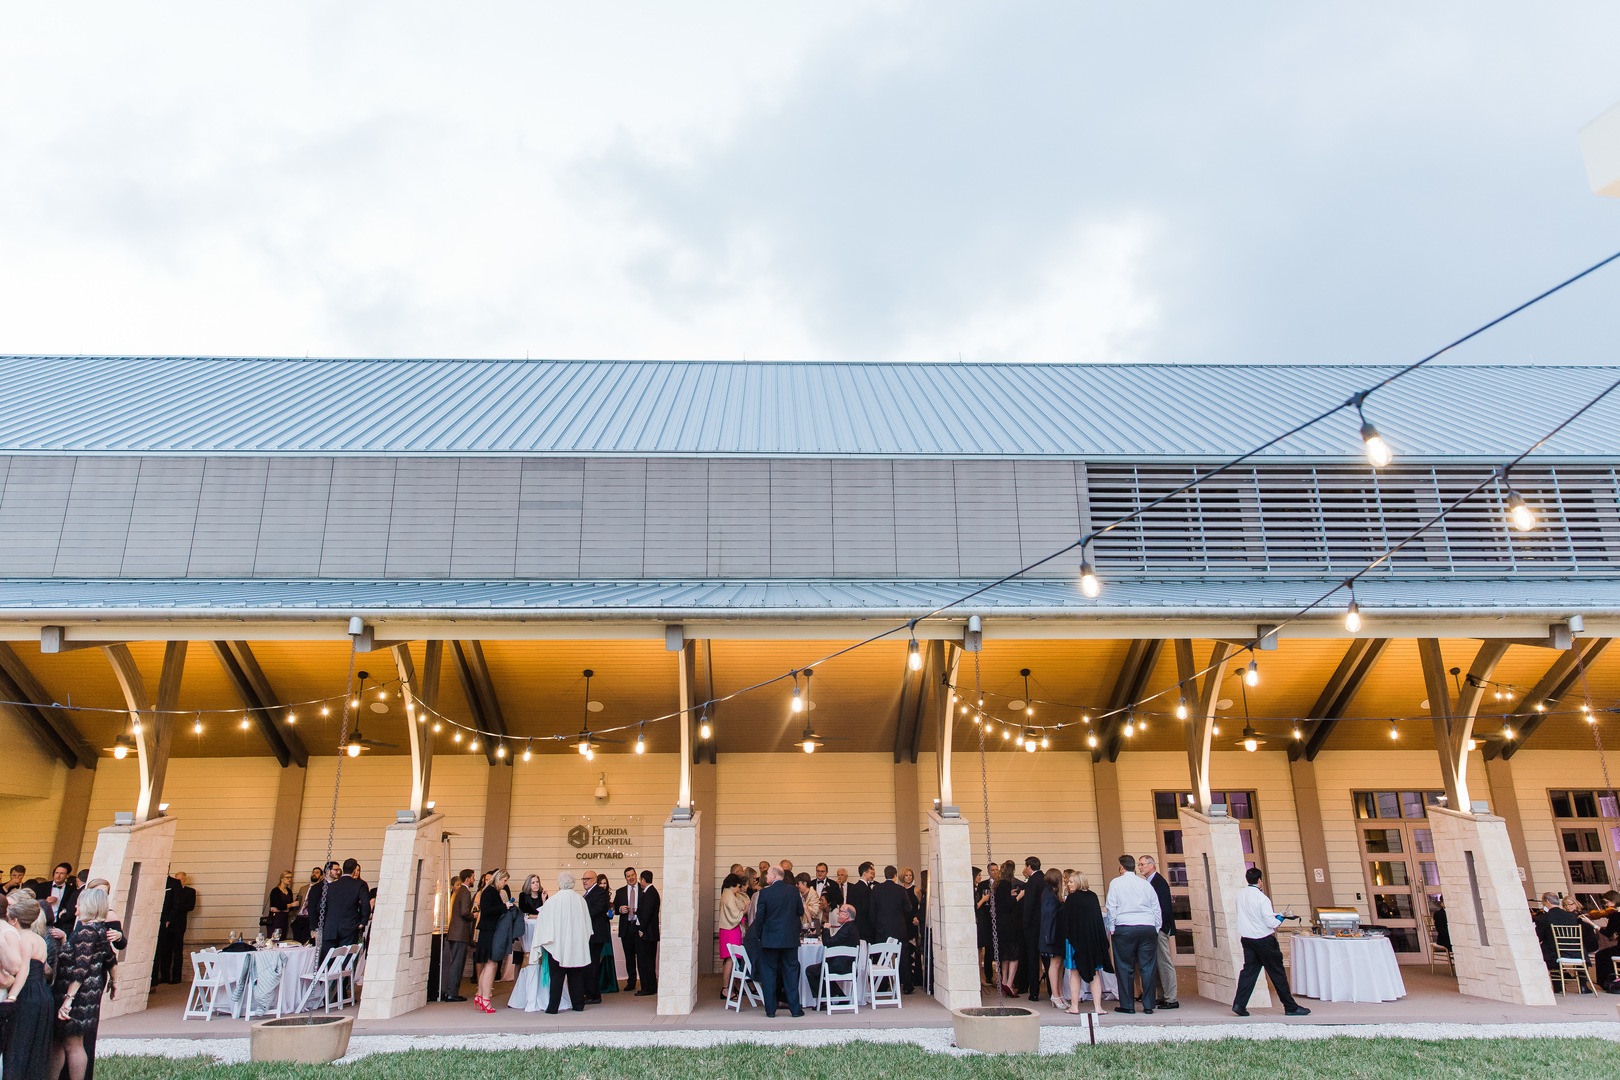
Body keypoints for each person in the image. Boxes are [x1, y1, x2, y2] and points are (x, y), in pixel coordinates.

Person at [49, 887, 117, 1080]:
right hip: (90, 993)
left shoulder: (86, 932)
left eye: (79, 903)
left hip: (77, 996)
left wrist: (68, 1000)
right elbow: (111, 959)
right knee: (65, 1042)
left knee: (71, 1044)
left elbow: (81, 968)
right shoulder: (100, 929)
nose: (75, 907)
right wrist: (115, 981)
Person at [1232, 867, 1310, 1017]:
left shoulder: (1240, 895)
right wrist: (1281, 917)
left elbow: (1250, 915)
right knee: (1277, 973)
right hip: (1264, 940)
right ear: (1259, 880)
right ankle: (1290, 1007)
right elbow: (1271, 923)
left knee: (1248, 972)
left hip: (1247, 939)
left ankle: (1239, 1004)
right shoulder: (1262, 899)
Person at [4, 893, 54, 1079]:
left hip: (27, 994)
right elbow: (46, 968)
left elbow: (23, 969)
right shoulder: (39, 938)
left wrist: (12, 997)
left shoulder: (22, 938)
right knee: (36, 1046)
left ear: (15, 920)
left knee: (19, 1044)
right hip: (42, 993)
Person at [1103, 854, 1160, 1015]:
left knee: (1124, 966)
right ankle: (1148, 1005)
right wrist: (1156, 927)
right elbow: (1155, 907)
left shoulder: (1116, 883)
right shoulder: (1145, 884)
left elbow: (1111, 907)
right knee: (1147, 966)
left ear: (1122, 867)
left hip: (1125, 926)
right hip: (1147, 926)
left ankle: (1128, 1005)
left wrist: (1111, 927)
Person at [532, 871, 593, 1014]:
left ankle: (553, 1007)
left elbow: (543, 922)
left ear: (560, 883)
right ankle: (578, 1005)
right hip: (576, 945)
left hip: (557, 945)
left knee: (556, 977)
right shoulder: (580, 900)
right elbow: (587, 924)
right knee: (576, 976)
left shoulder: (553, 900)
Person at [753, 867, 805, 1018]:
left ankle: (770, 1010)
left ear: (774, 875)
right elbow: (800, 912)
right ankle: (795, 1009)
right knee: (791, 973)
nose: (766, 876)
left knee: (769, 974)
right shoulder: (794, 891)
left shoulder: (765, 893)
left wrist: (759, 936)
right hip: (790, 938)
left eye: (768, 874)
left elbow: (760, 917)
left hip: (770, 939)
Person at [1061, 871, 1112, 1016]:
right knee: (1095, 973)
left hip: (1075, 941)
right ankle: (1098, 1007)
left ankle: (1074, 1006)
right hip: (1092, 941)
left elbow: (1067, 921)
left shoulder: (1072, 898)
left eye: (1071, 881)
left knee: (1074, 973)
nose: (1068, 884)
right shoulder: (1093, 897)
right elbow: (1097, 920)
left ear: (1078, 882)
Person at [1138, 855, 1179, 1009]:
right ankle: (1162, 996)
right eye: (1139, 864)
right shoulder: (1150, 882)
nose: (1140, 867)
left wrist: (1160, 927)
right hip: (1153, 928)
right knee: (1156, 963)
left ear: (1151, 865)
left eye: (1142, 864)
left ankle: (1171, 998)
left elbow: (1164, 908)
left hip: (1159, 928)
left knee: (1164, 962)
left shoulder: (1158, 882)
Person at [315, 859, 368, 966]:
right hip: (349, 926)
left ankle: (327, 976)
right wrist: (363, 921)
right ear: (354, 870)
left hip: (330, 927)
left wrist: (329, 919)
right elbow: (365, 904)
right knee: (344, 960)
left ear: (342, 870)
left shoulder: (330, 886)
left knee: (327, 960)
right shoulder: (360, 884)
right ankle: (341, 977)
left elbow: (320, 907)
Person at [472, 868, 511, 1013]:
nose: (505, 883)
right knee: (491, 964)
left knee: (487, 965)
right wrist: (504, 906)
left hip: (487, 931)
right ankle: (485, 998)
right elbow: (487, 910)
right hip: (490, 932)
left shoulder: (489, 891)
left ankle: (481, 995)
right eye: (504, 880)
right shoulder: (490, 892)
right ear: (498, 879)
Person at [805, 903, 860, 998]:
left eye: (840, 911)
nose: (837, 913)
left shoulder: (846, 929)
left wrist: (826, 929)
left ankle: (825, 999)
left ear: (846, 915)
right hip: (848, 965)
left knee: (811, 971)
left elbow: (828, 943)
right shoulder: (851, 927)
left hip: (840, 966)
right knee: (818, 971)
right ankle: (839, 997)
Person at [152, 871, 194, 985]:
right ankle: (164, 975)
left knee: (177, 950)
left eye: (180, 879)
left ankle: (176, 976)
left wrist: (177, 906)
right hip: (168, 923)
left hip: (179, 923)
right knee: (165, 949)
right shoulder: (170, 889)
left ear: (185, 880)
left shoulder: (190, 891)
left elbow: (190, 906)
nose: (178, 881)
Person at [441, 869, 474, 1002]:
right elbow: (464, 912)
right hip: (460, 933)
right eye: (473, 877)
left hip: (454, 932)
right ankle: (452, 993)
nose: (474, 880)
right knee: (457, 964)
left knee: (454, 963)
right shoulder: (465, 891)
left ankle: (449, 991)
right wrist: (473, 915)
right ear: (467, 879)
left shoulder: (458, 891)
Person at [1017, 857, 1047, 1001]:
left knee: (1032, 958)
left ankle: (1034, 992)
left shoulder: (1032, 882)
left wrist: (1025, 923)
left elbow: (1028, 905)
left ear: (1029, 866)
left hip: (1032, 925)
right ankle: (1053, 991)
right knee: (1047, 958)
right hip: (1044, 924)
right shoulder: (1045, 879)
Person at [994, 860, 1021, 996]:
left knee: (1004, 954)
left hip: (1000, 923)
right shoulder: (1006, 884)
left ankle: (1003, 980)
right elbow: (1008, 906)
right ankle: (1009, 983)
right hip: (1009, 923)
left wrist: (1009, 896)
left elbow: (1000, 902)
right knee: (1014, 954)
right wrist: (1019, 897)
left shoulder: (998, 884)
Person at [613, 867, 643, 992]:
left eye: (632, 875)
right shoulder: (620, 892)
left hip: (639, 927)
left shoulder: (643, 889)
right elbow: (614, 909)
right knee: (629, 957)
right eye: (628, 876)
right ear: (625, 878)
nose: (631, 878)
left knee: (641, 956)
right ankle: (631, 982)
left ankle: (644, 982)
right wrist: (620, 909)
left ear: (636, 875)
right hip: (626, 927)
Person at [583, 873, 611, 1004]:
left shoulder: (600, 892)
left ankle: (594, 995)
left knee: (592, 965)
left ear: (594, 880)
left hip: (596, 935)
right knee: (589, 965)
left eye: (587, 879)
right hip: (590, 934)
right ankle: (589, 992)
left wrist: (581, 915)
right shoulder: (588, 893)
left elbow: (596, 910)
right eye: (583, 879)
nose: (584, 881)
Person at [718, 874, 748, 992]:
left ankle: (732, 986)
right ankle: (725, 988)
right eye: (738, 886)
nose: (738, 889)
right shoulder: (729, 897)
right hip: (730, 930)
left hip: (727, 929)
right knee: (730, 959)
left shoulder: (726, 894)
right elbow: (735, 915)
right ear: (734, 885)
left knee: (730, 959)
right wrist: (745, 910)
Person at [1040, 867, 1065, 1010]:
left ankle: (1060, 994)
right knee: (1054, 964)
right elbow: (1048, 917)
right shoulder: (1049, 895)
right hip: (1052, 934)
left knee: (1059, 964)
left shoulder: (1050, 893)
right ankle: (1055, 995)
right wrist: (1048, 936)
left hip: (1055, 934)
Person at [632, 870, 660, 996]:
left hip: (647, 934)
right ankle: (651, 986)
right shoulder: (652, 892)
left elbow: (647, 913)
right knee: (649, 961)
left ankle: (647, 988)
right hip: (650, 933)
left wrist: (641, 929)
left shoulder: (649, 893)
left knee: (645, 961)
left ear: (643, 880)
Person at [41, 864, 78, 939]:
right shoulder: (42, 886)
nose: (58, 876)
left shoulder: (72, 890)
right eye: (56, 873)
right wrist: (45, 901)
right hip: (43, 922)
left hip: (61, 924)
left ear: (67, 875)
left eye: (62, 873)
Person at [845, 862, 876, 942]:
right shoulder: (866, 889)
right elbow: (866, 908)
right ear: (865, 873)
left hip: (854, 924)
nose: (872, 875)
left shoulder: (853, 888)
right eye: (870, 873)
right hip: (865, 926)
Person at [974, 866, 993, 985]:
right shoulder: (972, 891)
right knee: (978, 951)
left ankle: (981, 977)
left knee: (980, 951)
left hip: (981, 921)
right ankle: (979, 978)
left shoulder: (976, 889)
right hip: (977, 921)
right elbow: (974, 906)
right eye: (978, 875)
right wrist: (983, 899)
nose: (980, 877)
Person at [265, 870, 295, 940]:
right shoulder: (275, 891)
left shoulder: (289, 891)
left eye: (291, 877)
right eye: (287, 877)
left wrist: (287, 907)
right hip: (275, 918)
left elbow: (290, 909)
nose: (289, 879)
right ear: (282, 879)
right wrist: (291, 905)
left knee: (283, 937)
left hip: (285, 918)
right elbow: (279, 906)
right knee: (274, 937)